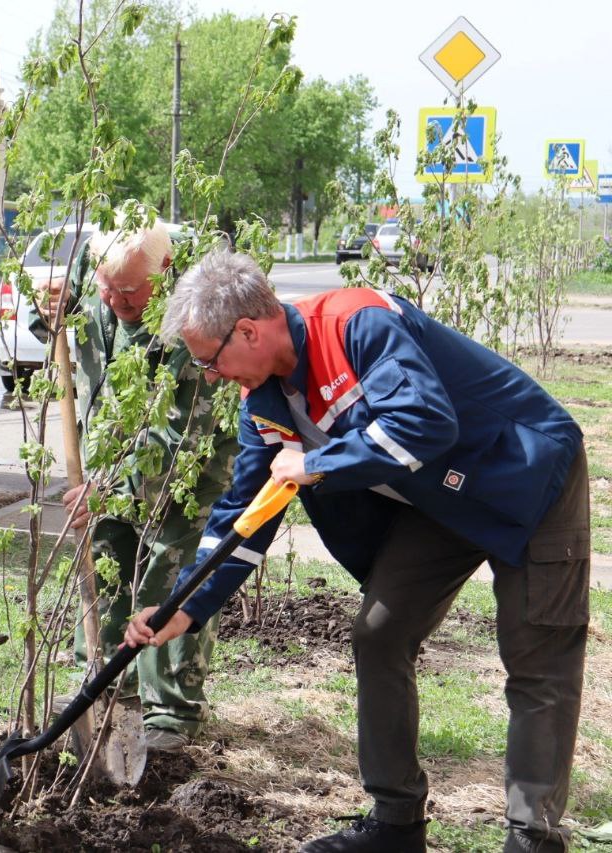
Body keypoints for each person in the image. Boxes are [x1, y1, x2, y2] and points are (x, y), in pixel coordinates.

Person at [124, 249, 589, 853]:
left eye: (210, 360)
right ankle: (396, 823)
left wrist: (315, 464)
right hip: (438, 502)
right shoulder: (264, 403)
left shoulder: (356, 323)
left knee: (537, 661)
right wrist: (185, 606)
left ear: (248, 330)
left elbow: (424, 422)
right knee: (379, 633)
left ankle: (532, 837)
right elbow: (243, 516)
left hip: (527, 478)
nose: (210, 375)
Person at [43, 217, 236, 751]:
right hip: (107, 461)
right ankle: (101, 692)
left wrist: (106, 484)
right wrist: (51, 315)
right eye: (105, 287)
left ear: (166, 271)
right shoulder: (98, 272)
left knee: (169, 586)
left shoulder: (196, 318)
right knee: (106, 573)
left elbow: (180, 436)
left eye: (128, 292)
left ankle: (172, 716)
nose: (114, 300)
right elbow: (68, 339)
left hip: (187, 477)